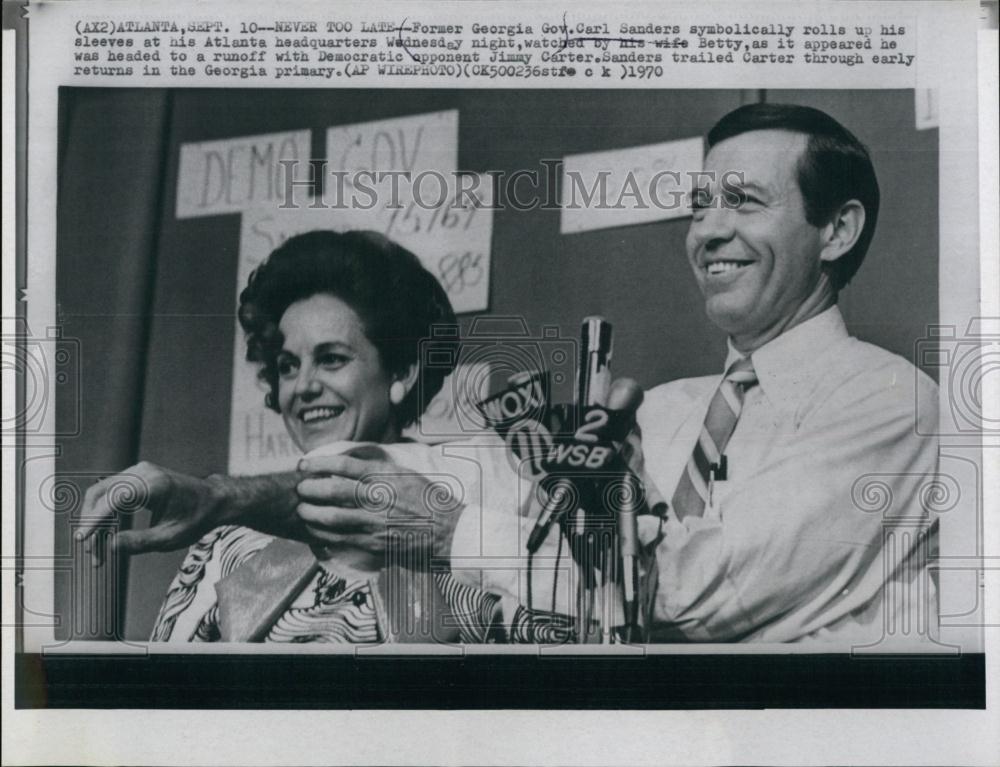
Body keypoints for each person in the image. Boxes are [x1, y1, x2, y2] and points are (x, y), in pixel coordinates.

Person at [102, 229, 513, 643]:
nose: (303, 387)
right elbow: (162, 695)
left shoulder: (471, 512)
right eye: (287, 366)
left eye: (331, 359)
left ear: (402, 370)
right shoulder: (227, 543)